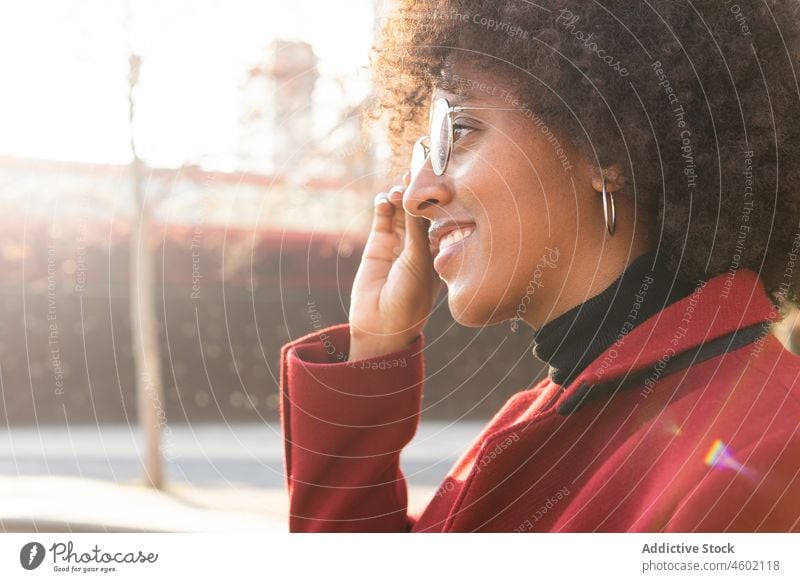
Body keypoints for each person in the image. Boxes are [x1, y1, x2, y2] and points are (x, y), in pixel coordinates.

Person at [279, 0, 800, 532]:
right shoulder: (539, 416)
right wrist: (374, 346)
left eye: (456, 133)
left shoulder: (772, 450)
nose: (415, 194)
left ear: (604, 149)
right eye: (420, 152)